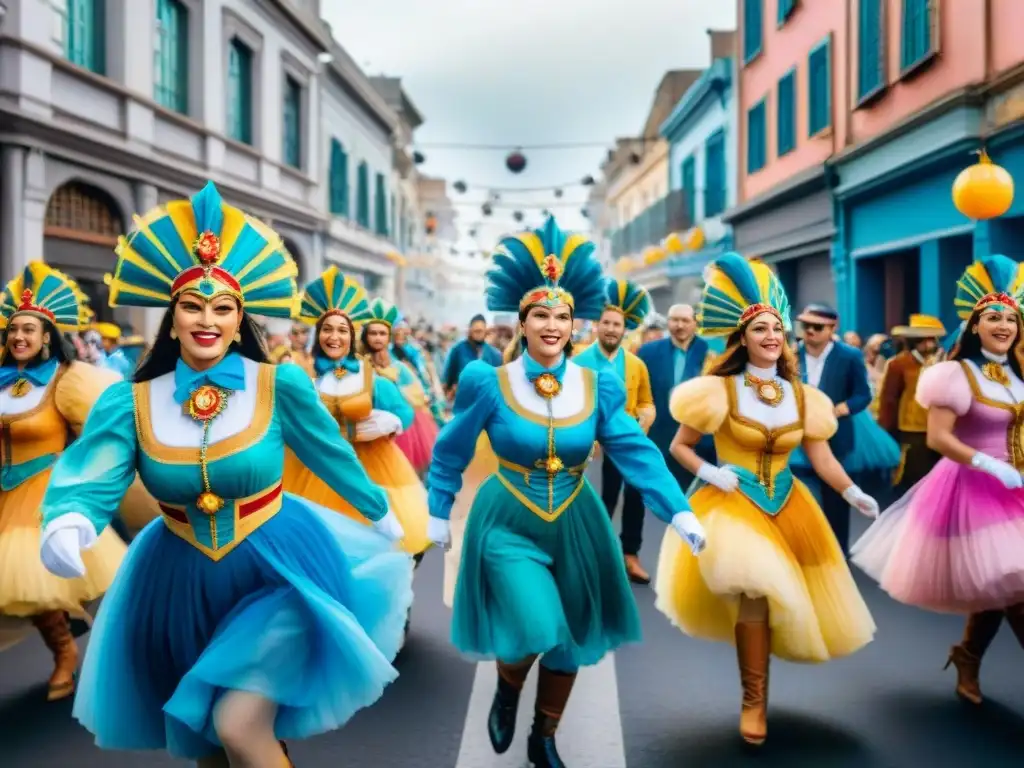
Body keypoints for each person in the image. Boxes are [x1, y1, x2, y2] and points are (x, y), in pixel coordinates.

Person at [38, 181, 413, 766]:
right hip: (176, 581)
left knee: (238, 725)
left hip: (277, 570)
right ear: (173, 316)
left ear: (240, 319)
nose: (207, 319)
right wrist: (69, 518)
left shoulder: (277, 384)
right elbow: (95, 472)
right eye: (193, 306)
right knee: (211, 744)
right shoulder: (132, 401)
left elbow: (327, 453)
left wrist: (377, 508)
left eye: (223, 307)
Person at [426, 217, 706, 767]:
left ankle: (544, 735)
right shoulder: (490, 382)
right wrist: (437, 509)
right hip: (509, 517)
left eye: (561, 316)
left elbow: (633, 449)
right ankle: (509, 685)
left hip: (577, 518)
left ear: (572, 324)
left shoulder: (598, 382)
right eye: (539, 315)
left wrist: (680, 512)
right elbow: (450, 449)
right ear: (522, 324)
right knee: (536, 622)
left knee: (571, 636)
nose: (552, 325)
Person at [654, 253, 879, 747]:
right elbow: (680, 447)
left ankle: (759, 688)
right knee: (754, 592)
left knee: (784, 601)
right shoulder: (716, 390)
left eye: (777, 328)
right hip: (732, 504)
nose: (772, 336)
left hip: (789, 503)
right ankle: (753, 701)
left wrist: (852, 491)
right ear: (742, 339)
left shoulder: (803, 398)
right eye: (760, 329)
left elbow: (822, 460)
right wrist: (713, 471)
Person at [852, 253, 1024, 705]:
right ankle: (967, 657)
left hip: (1018, 487)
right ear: (974, 326)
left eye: (1010, 317)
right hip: (974, 487)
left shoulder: (1018, 374)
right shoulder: (955, 374)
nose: (1003, 325)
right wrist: (991, 465)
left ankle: (967, 655)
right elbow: (940, 438)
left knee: (1000, 588)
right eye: (993, 317)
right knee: (1017, 588)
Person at [0, 263, 128, 701]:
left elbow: (104, 435)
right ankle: (66, 642)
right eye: (14, 329)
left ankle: (67, 655)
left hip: (47, 494)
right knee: (22, 590)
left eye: (29, 329)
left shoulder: (67, 380)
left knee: (36, 582)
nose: (19, 337)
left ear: (46, 335)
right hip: (4, 493)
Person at [283, 270, 431, 559]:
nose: (334, 336)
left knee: (379, 549)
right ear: (317, 334)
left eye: (342, 330)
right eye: (327, 329)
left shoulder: (370, 378)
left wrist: (392, 422)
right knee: (325, 550)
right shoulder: (306, 377)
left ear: (351, 336)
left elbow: (404, 411)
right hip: (320, 471)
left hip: (374, 469)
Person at [574, 278, 657, 584]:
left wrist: (645, 418)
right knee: (601, 499)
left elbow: (648, 402)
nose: (611, 329)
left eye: (617, 324)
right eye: (606, 323)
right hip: (589, 450)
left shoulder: (636, 364)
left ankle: (630, 555)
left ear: (626, 329)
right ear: (597, 325)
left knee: (636, 498)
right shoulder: (579, 363)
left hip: (629, 444)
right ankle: (594, 555)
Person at [791, 304, 874, 554]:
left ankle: (838, 555)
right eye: (806, 326)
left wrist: (843, 408)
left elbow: (863, 395)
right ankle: (806, 555)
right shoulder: (790, 354)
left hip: (835, 438)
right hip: (796, 440)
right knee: (800, 501)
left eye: (818, 327)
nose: (810, 332)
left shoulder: (849, 356)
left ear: (833, 328)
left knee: (837, 499)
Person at [637, 303, 713, 491]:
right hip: (659, 439)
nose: (680, 325)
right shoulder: (648, 352)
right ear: (668, 322)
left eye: (685, 320)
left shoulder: (709, 355)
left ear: (695, 323)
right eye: (675, 320)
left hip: (695, 442)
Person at [361, 298, 439, 477]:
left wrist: (395, 387)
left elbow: (419, 395)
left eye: (382, 333)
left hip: (402, 432)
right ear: (366, 336)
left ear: (388, 336)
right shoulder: (358, 365)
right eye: (373, 333)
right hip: (367, 432)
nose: (378, 338)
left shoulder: (401, 368)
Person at [877, 315, 947, 494]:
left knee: (939, 478)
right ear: (914, 341)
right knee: (913, 477)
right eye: (924, 340)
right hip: (911, 428)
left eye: (932, 340)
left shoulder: (944, 362)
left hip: (941, 427)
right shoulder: (899, 364)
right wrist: (886, 430)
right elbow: (889, 399)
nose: (929, 345)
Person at [442, 314, 502, 400]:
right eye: (476, 331)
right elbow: (448, 376)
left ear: (485, 331)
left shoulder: (494, 354)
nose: (478, 334)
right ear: (470, 331)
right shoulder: (458, 350)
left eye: (481, 331)